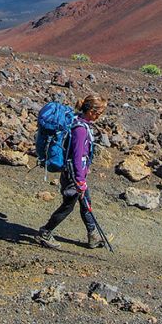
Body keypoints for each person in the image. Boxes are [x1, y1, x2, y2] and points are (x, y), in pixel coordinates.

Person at [36, 93, 108, 250]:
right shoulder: (80, 129)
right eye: (99, 113)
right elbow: (77, 156)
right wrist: (80, 180)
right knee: (68, 206)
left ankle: (93, 235)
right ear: (91, 112)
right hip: (74, 176)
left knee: (86, 203)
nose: (99, 116)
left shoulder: (77, 120)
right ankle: (45, 232)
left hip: (75, 174)